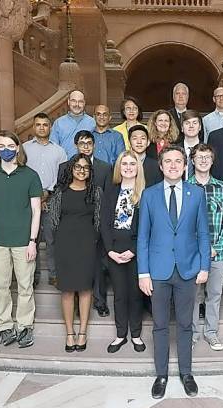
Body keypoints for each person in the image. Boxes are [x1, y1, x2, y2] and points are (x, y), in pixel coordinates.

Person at [137, 145, 211, 399]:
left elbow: (203, 233)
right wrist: (142, 273)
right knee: (159, 325)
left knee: (185, 324)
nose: (172, 165)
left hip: (188, 269)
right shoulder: (149, 195)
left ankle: (186, 373)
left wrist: (204, 266)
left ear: (185, 165)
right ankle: (161, 375)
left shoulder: (196, 194)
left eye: (178, 161)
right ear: (161, 165)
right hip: (157, 271)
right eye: (168, 161)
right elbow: (143, 237)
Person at [0, 130, 42, 350]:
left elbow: (36, 210)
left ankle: (24, 326)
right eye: (1, 146)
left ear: (17, 148)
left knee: (25, 286)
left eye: (10, 146)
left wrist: (33, 240)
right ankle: (5, 327)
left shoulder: (30, 175)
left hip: (23, 240)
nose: (6, 149)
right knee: (1, 286)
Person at [49, 154, 102, 352]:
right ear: (71, 169)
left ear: (90, 171)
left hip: (87, 245)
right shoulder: (60, 193)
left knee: (85, 289)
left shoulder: (95, 192)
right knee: (68, 290)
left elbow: (98, 221)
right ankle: (69, 332)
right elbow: (54, 221)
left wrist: (91, 239)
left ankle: (82, 332)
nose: (81, 170)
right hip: (65, 245)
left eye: (86, 167)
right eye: (78, 167)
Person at [57, 130, 112, 317]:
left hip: (95, 227)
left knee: (97, 267)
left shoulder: (105, 168)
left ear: (94, 145)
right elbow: (60, 200)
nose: (86, 146)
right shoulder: (64, 167)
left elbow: (107, 200)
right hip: (70, 232)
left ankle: (100, 301)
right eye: (82, 143)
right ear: (76, 145)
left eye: (89, 143)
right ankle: (75, 305)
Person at [187, 144, 223, 351]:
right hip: (192, 254)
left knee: (214, 295)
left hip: (217, 252)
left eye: (207, 157)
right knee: (193, 296)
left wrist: (218, 246)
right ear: (193, 160)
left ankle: (211, 332)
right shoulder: (184, 187)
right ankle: (193, 333)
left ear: (213, 161)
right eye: (199, 157)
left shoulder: (222, 187)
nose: (203, 160)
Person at [100, 151, 147, 354]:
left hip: (137, 249)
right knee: (119, 294)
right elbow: (104, 223)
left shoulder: (146, 192)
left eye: (132, 164)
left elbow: (149, 226)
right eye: (124, 164)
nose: (128, 167)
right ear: (119, 167)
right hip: (114, 249)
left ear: (138, 168)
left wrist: (134, 251)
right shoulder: (111, 191)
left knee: (135, 295)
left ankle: (135, 335)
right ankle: (121, 335)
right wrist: (110, 250)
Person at [22, 112, 68, 287]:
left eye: (45, 124)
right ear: (34, 127)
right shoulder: (24, 149)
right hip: (27, 200)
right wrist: (35, 196)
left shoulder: (59, 151)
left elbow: (63, 178)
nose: (42, 127)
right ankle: (33, 276)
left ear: (50, 127)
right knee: (30, 238)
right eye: (38, 124)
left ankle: (54, 274)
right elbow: (21, 174)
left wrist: (48, 194)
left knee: (52, 238)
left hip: (52, 199)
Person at [49, 90, 95, 158]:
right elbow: (53, 148)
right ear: (68, 102)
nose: (77, 104)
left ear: (84, 103)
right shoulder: (58, 123)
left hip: (86, 166)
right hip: (64, 164)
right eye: (73, 101)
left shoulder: (92, 122)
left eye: (80, 101)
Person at [178, 110, 203, 180]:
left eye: (194, 123)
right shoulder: (174, 150)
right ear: (182, 128)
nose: (191, 126)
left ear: (200, 127)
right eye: (187, 123)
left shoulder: (207, 150)